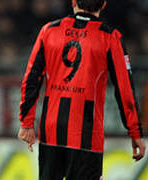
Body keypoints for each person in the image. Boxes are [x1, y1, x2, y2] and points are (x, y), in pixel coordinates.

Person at [17, 0, 146, 179]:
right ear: (104, 4)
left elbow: (31, 79)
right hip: (86, 134)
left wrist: (26, 122)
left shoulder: (49, 30)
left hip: (51, 130)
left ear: (74, 1)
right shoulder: (110, 37)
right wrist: (135, 131)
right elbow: (125, 89)